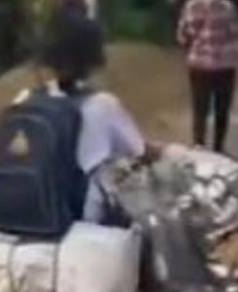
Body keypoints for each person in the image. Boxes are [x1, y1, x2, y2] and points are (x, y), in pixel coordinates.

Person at [38, 4, 162, 223]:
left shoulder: (32, 102)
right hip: (82, 218)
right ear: (93, 56)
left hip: (38, 212)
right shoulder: (102, 105)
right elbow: (140, 152)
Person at [177, 0, 238, 154]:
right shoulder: (226, 7)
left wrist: (193, 45)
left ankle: (199, 146)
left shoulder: (191, 6)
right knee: (222, 108)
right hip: (224, 63)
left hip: (199, 64)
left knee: (200, 108)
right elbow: (234, 32)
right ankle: (219, 147)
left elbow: (183, 36)